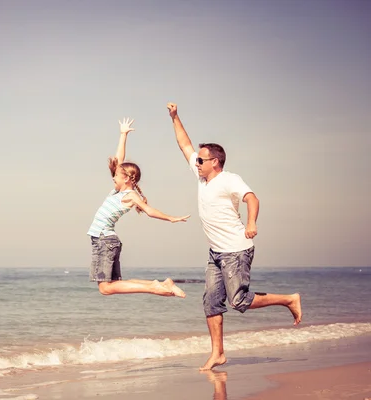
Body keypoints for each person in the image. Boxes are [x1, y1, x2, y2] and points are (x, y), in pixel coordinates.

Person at [166, 102, 303, 370]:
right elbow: (184, 144)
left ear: (215, 162)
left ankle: (289, 299)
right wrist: (175, 117)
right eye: (198, 160)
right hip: (216, 252)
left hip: (236, 250)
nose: (197, 162)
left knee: (238, 301)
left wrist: (251, 222)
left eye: (201, 160)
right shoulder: (201, 178)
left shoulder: (229, 179)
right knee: (211, 302)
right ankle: (218, 353)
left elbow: (252, 198)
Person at [88, 118, 190, 297]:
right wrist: (123, 135)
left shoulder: (130, 195)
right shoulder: (117, 191)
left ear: (126, 179)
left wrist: (171, 218)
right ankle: (161, 284)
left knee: (105, 288)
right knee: (114, 285)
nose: (113, 177)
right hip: (104, 241)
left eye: (117, 175)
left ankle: (153, 288)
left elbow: (149, 211)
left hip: (104, 241)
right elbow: (118, 160)